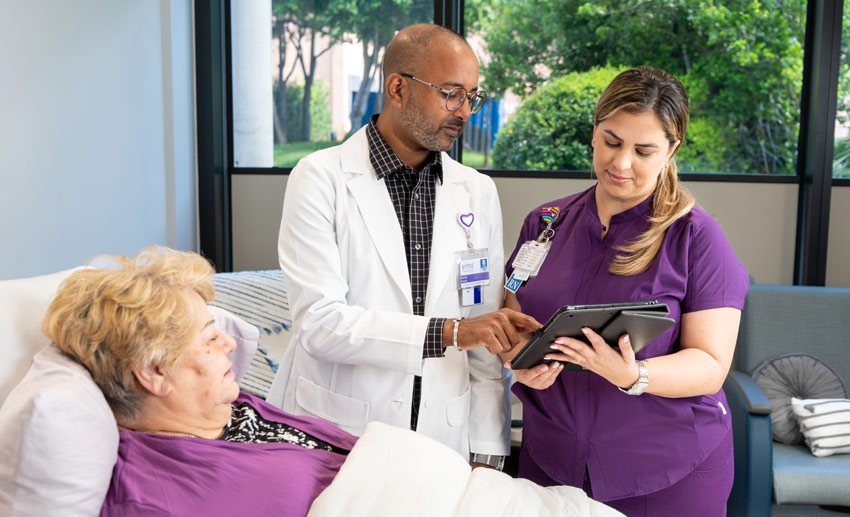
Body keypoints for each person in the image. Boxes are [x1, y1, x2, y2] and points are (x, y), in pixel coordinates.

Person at [42, 248, 622, 517]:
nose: (229, 345)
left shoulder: (232, 410)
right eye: (208, 337)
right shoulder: (157, 494)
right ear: (152, 372)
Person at [269, 23, 539, 468]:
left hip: (442, 440)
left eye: (472, 97)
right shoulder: (319, 178)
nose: (464, 112)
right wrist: (450, 332)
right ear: (398, 88)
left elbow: (481, 328)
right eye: (451, 94)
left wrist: (488, 452)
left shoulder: (477, 191)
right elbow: (320, 325)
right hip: (340, 433)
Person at [502, 67, 749, 517]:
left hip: (666, 471)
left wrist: (634, 375)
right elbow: (513, 317)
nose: (621, 163)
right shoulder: (545, 223)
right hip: (551, 461)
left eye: (643, 150)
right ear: (594, 131)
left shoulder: (696, 237)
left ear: (671, 150)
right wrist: (521, 360)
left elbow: (711, 364)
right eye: (611, 141)